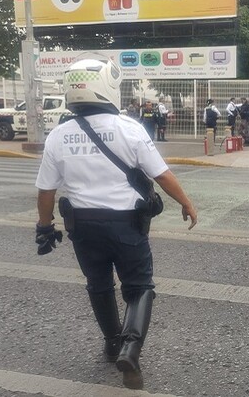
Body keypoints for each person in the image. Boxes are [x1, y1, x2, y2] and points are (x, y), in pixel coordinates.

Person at [34, 58, 197, 390]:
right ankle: (130, 348)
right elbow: (161, 175)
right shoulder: (129, 128)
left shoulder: (59, 135)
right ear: (107, 85)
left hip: (82, 227)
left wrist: (44, 226)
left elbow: (46, 190)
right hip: (126, 226)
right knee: (139, 288)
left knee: (99, 285)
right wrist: (186, 202)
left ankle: (112, 344)